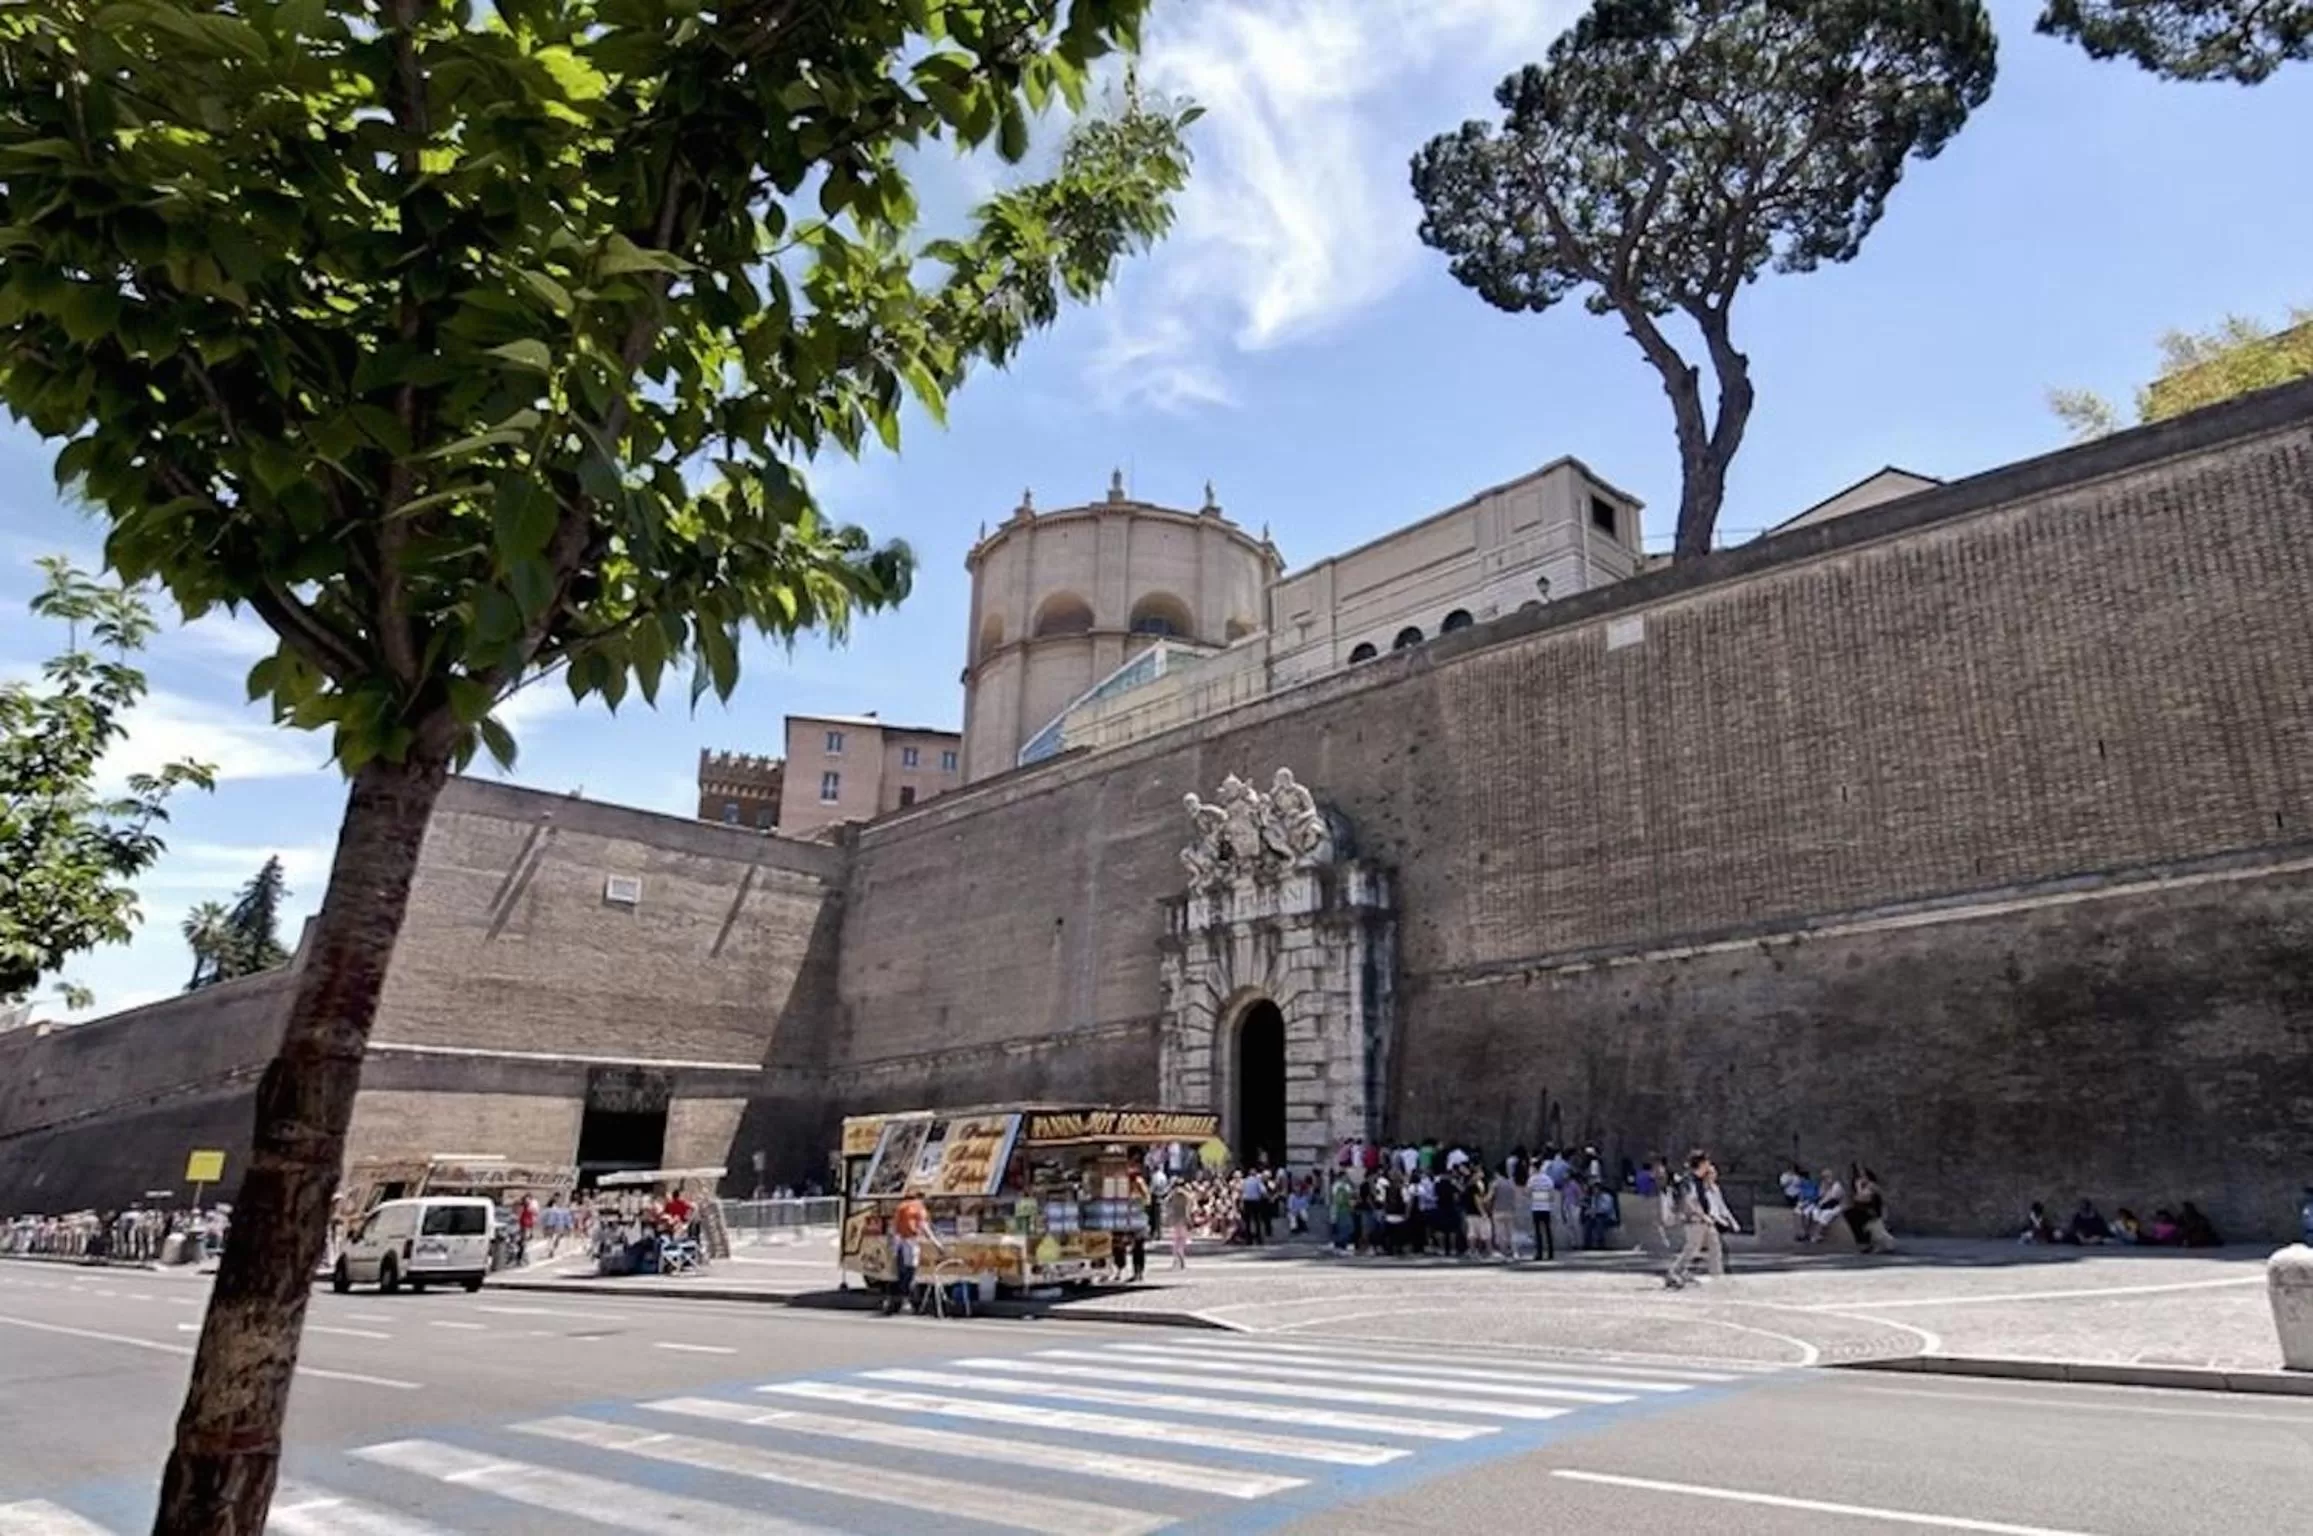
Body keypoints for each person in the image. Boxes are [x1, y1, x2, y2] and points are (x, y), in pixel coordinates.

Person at [1665, 1150, 1723, 1289]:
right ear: (1701, 1163)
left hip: (1705, 1220)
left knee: (1715, 1246)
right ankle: (1674, 1272)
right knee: (1692, 1248)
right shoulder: (1688, 1181)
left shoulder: (1700, 1180)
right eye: (1707, 1163)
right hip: (1694, 1220)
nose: (1709, 1166)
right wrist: (1703, 1216)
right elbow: (1689, 1202)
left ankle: (1718, 1277)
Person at [885, 1191, 940, 1314]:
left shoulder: (901, 1207)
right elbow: (925, 1227)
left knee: (899, 1273)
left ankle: (893, 1301)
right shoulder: (918, 1207)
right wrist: (937, 1244)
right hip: (910, 1242)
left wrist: (891, 1245)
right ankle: (906, 1301)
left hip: (898, 1242)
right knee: (910, 1271)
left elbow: (893, 1227)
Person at [1490, 1162, 1526, 1262]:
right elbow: (1517, 1196)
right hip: (1510, 1210)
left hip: (1498, 1210)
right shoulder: (1511, 1183)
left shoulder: (1495, 1183)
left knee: (1501, 1234)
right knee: (1511, 1233)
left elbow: (1490, 1196)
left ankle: (1504, 1253)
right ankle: (1515, 1252)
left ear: (1497, 1172)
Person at [1526, 1158, 1557, 1261]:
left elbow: (1528, 1192)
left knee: (1538, 1232)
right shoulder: (1548, 1179)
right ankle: (1550, 1253)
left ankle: (1539, 1253)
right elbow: (1552, 1194)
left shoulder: (1532, 1179)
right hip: (1546, 1207)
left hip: (1536, 1207)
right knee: (1548, 1230)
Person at [1163, 1178, 1192, 1270]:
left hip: (1175, 1218)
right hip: (1183, 1218)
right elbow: (1189, 1206)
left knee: (1176, 1240)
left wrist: (1169, 1214)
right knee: (1182, 1240)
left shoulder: (1173, 1194)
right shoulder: (1186, 1195)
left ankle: (1176, 1259)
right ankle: (1181, 1257)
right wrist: (1189, 1219)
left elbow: (1166, 1202)